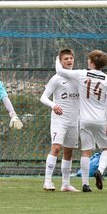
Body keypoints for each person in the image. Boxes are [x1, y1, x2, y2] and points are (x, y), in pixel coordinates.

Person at [55, 50, 107, 192]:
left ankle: (85, 184)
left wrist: (58, 57)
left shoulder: (81, 74)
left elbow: (59, 70)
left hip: (84, 120)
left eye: (89, 59)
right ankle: (100, 170)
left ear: (92, 63)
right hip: (100, 119)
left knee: (86, 151)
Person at [40, 49, 80, 192]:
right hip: (59, 119)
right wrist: (53, 105)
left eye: (71, 58)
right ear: (60, 61)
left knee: (69, 152)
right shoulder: (56, 78)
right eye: (66, 59)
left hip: (74, 120)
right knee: (56, 148)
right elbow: (43, 97)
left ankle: (65, 184)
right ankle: (48, 181)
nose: (69, 61)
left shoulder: (78, 77)